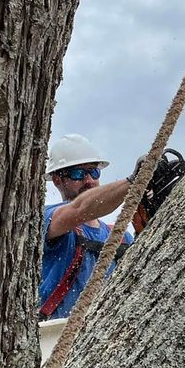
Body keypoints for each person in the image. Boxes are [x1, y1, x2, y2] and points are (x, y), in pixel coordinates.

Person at [38, 134, 134, 319]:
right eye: (78, 174)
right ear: (58, 180)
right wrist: (133, 182)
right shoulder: (49, 219)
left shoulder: (120, 236)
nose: (89, 180)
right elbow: (81, 208)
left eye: (93, 172)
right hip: (55, 335)